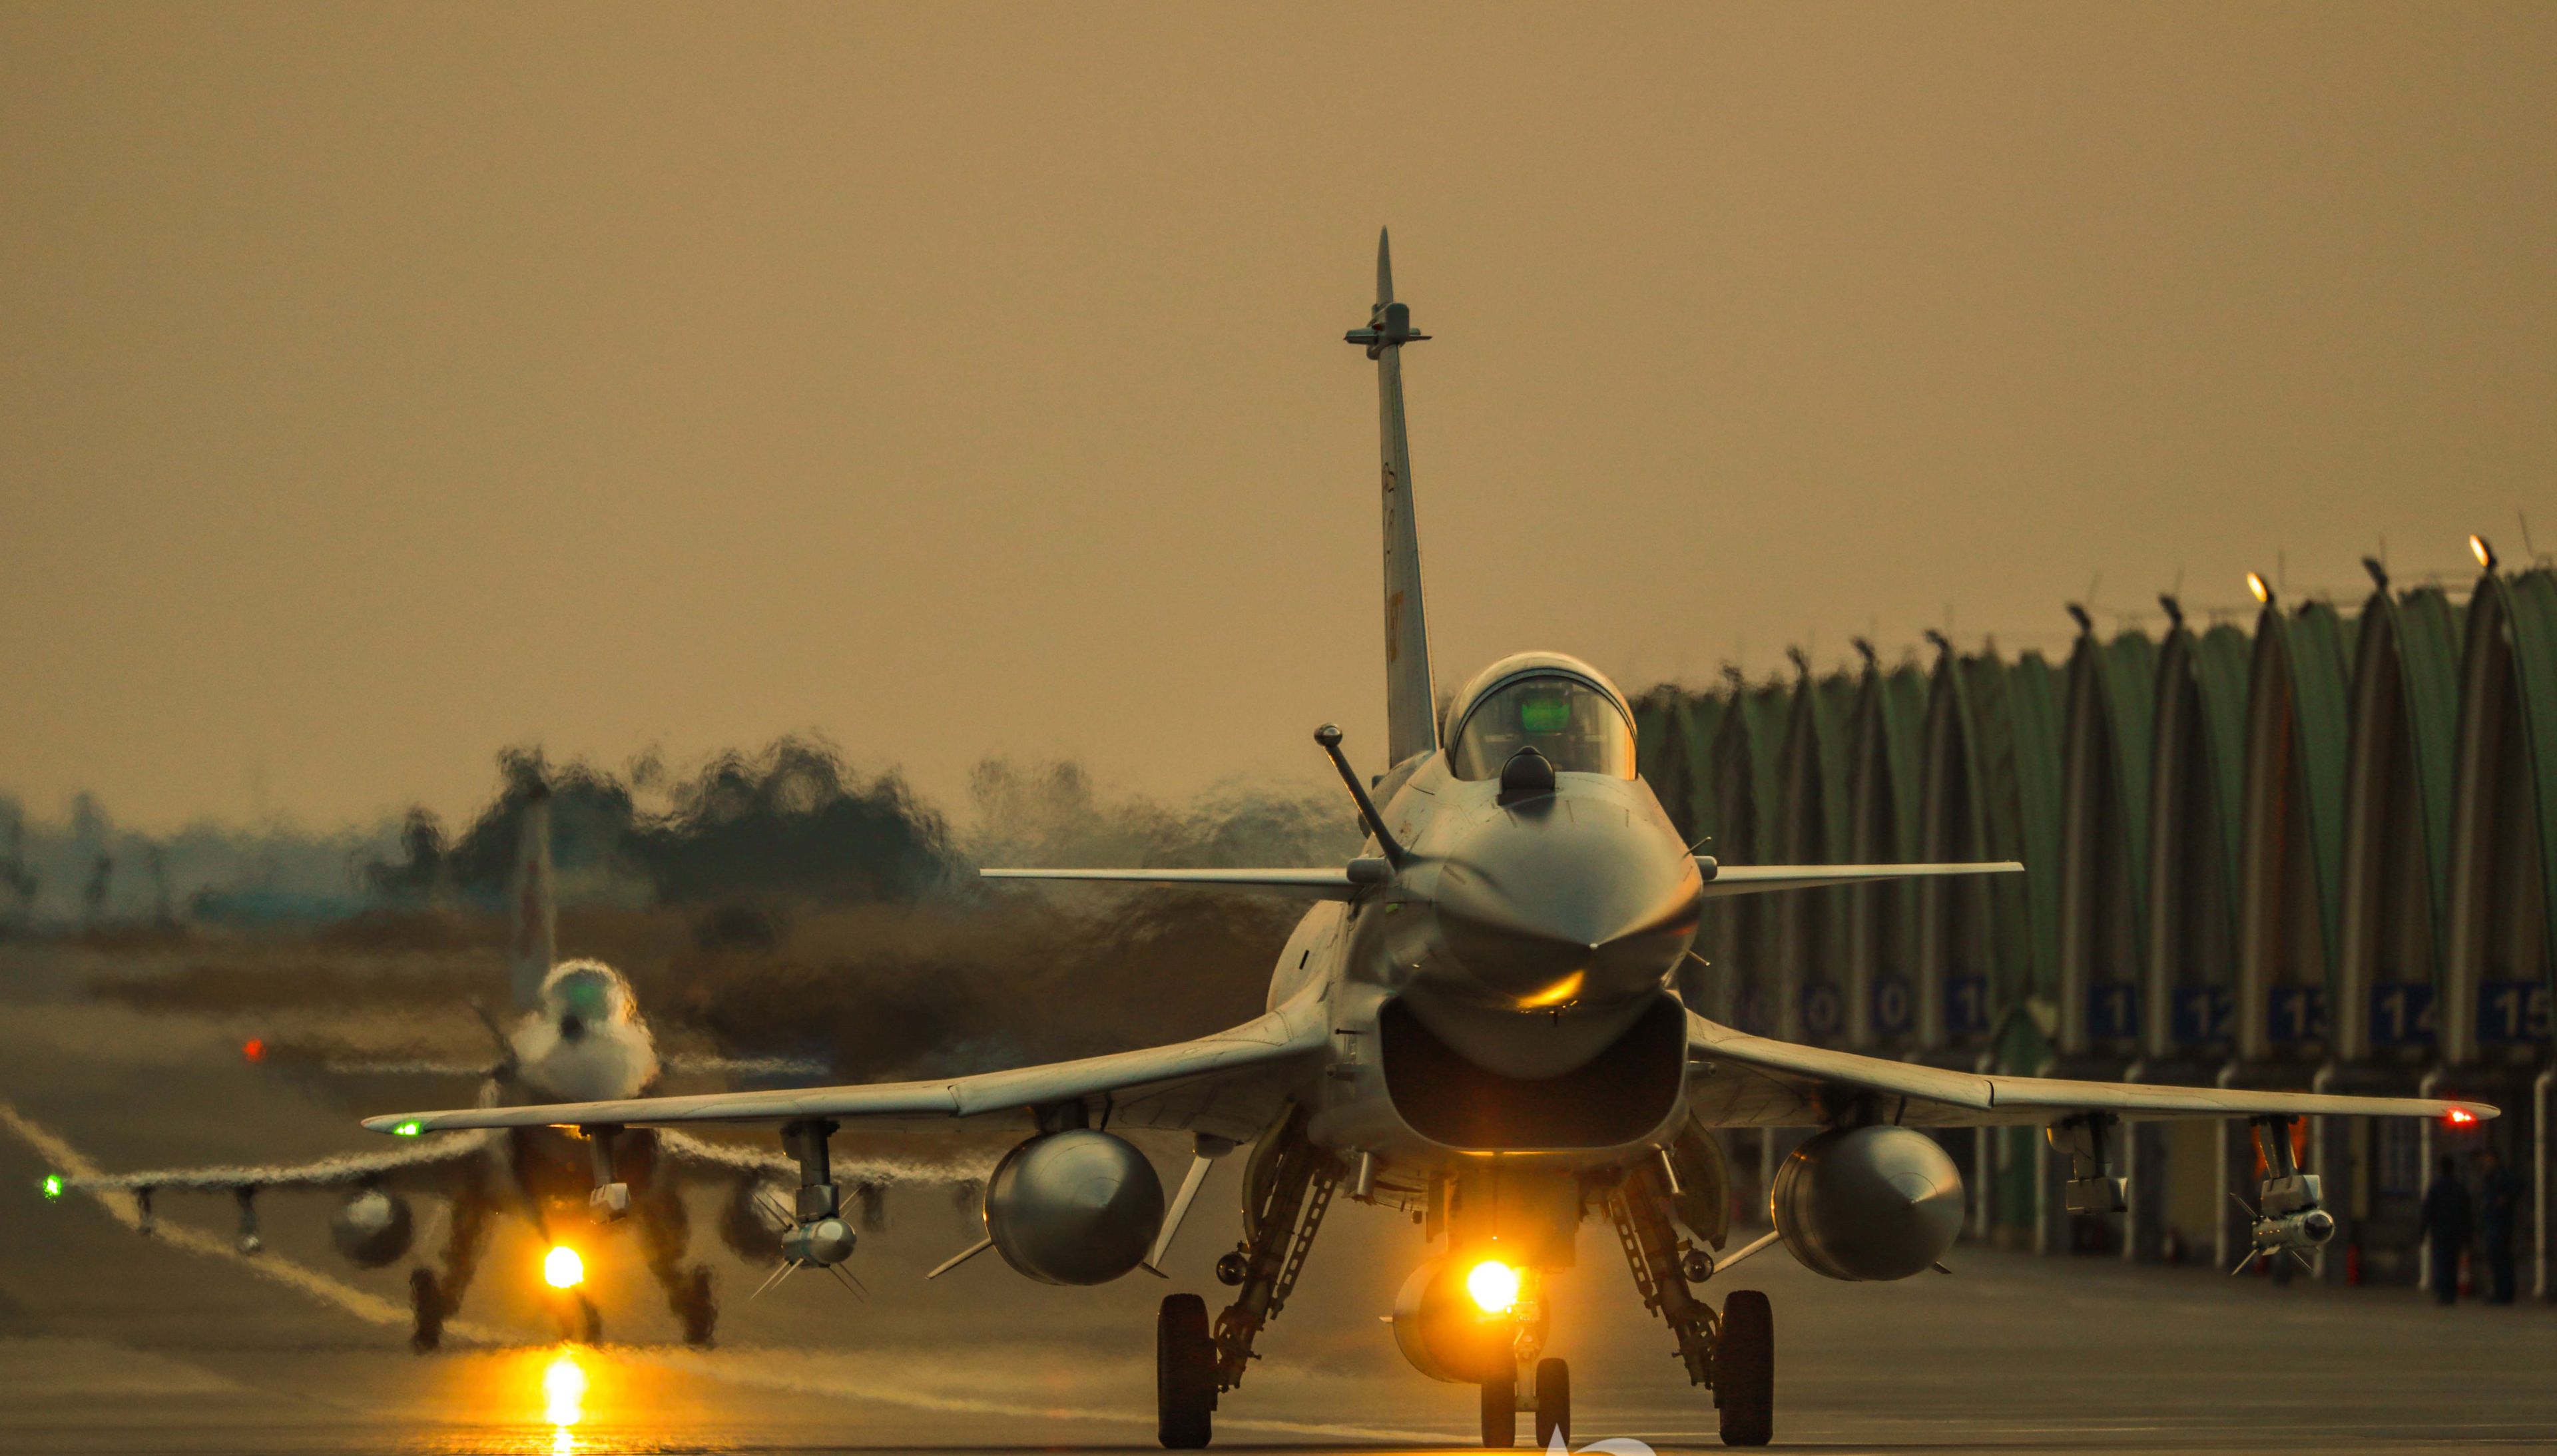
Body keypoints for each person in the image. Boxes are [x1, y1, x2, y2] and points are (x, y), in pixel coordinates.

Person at [2418, 1154, 2472, 1305]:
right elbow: (2466, 1213)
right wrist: (2468, 1234)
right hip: (2456, 1231)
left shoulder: (2435, 1188)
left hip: (2440, 1231)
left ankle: (2443, 1293)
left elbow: (2427, 1211)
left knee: (2441, 1262)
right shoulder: (2459, 1188)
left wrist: (2422, 1231)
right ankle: (2451, 1293)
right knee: (2452, 1263)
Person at [2476, 1148, 2524, 1306]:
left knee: (2501, 1258)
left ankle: (2504, 1293)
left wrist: (2507, 1198)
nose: (2486, 1163)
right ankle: (2499, 1292)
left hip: (2501, 1223)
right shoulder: (2489, 1177)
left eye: (2489, 1160)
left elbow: (2519, 1185)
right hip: (2492, 1222)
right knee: (2494, 1259)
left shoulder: (2503, 1175)